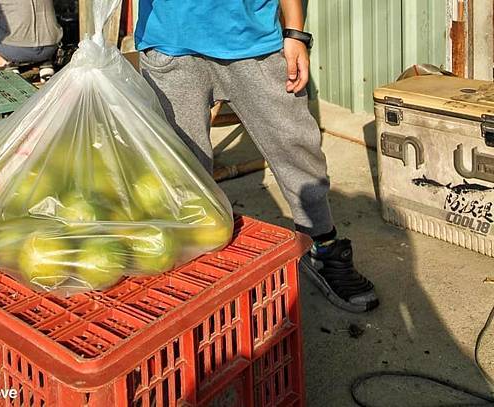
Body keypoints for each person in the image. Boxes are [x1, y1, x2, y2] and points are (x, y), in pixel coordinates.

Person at [135, 0, 379, 312]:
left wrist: (295, 34)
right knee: (182, 170)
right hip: (170, 44)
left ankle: (323, 244)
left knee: (296, 146)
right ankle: (191, 268)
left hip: (254, 40)